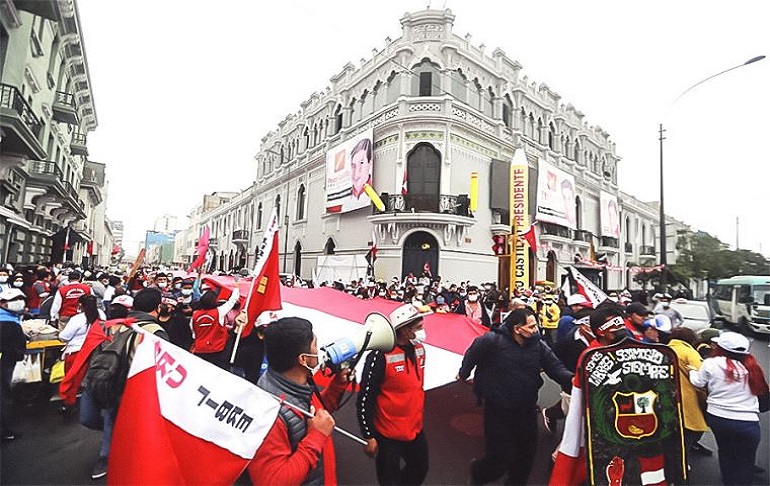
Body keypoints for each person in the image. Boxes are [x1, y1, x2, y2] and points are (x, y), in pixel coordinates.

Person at [458, 308, 573, 485]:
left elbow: (555, 368)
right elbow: (472, 354)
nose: (536, 330)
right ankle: (478, 473)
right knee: (499, 459)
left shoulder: (538, 345)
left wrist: (576, 380)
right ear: (517, 328)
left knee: (525, 460)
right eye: (531, 326)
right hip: (498, 409)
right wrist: (464, 373)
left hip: (526, 409)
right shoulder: (492, 340)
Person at [248, 317, 350, 485]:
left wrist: (337, 385)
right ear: (303, 359)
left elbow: (318, 416)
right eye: (315, 346)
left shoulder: (297, 382)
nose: (319, 351)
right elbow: (272, 481)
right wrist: (316, 437)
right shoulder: (269, 412)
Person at [357, 304, 429, 485]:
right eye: (418, 328)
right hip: (387, 435)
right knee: (389, 480)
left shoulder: (420, 349)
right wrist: (368, 435)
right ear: (404, 331)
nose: (423, 332)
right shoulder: (379, 356)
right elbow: (365, 398)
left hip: (414, 429)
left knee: (420, 467)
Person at [688, 332, 769, 485]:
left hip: (718, 419)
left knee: (726, 453)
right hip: (747, 423)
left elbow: (697, 382)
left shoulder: (711, 363)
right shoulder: (752, 367)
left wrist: (691, 371)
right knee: (746, 462)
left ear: (721, 348)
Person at [667, 327, 711, 459]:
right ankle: (681, 462)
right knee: (691, 430)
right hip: (687, 397)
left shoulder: (665, 349)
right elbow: (703, 375)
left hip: (667, 395)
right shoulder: (689, 352)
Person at [0, 288, 28, 442]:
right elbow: (18, 350)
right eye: (14, 299)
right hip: (4, 363)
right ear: (2, 303)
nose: (19, 302)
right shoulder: (11, 324)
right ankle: (5, 430)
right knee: (3, 396)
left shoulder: (11, 319)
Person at [191, 286, 239, 369]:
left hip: (199, 350)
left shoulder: (195, 315)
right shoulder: (219, 312)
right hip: (217, 351)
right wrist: (236, 286)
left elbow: (193, 334)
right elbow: (232, 301)